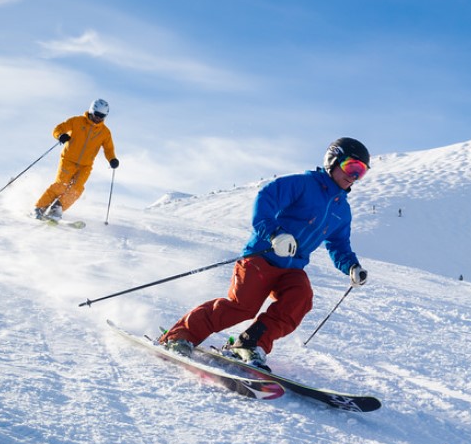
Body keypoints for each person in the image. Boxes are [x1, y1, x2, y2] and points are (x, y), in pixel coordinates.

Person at [158, 137, 371, 370]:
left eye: (361, 172)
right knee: (242, 307)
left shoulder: (342, 210)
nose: (354, 176)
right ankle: (180, 336)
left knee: (300, 298)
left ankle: (249, 344)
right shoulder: (303, 184)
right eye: (351, 167)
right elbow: (266, 198)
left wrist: (351, 266)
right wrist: (274, 234)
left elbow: (338, 244)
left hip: (292, 268)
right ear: (333, 161)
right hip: (261, 257)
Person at [34, 99, 119, 220]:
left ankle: (56, 209)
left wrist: (112, 159)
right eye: (97, 115)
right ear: (91, 110)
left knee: (76, 189)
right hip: (68, 159)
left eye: (102, 116)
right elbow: (58, 128)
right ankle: (40, 207)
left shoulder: (105, 132)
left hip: (85, 165)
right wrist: (60, 135)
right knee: (61, 185)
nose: (98, 118)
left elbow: (108, 149)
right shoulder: (77, 121)